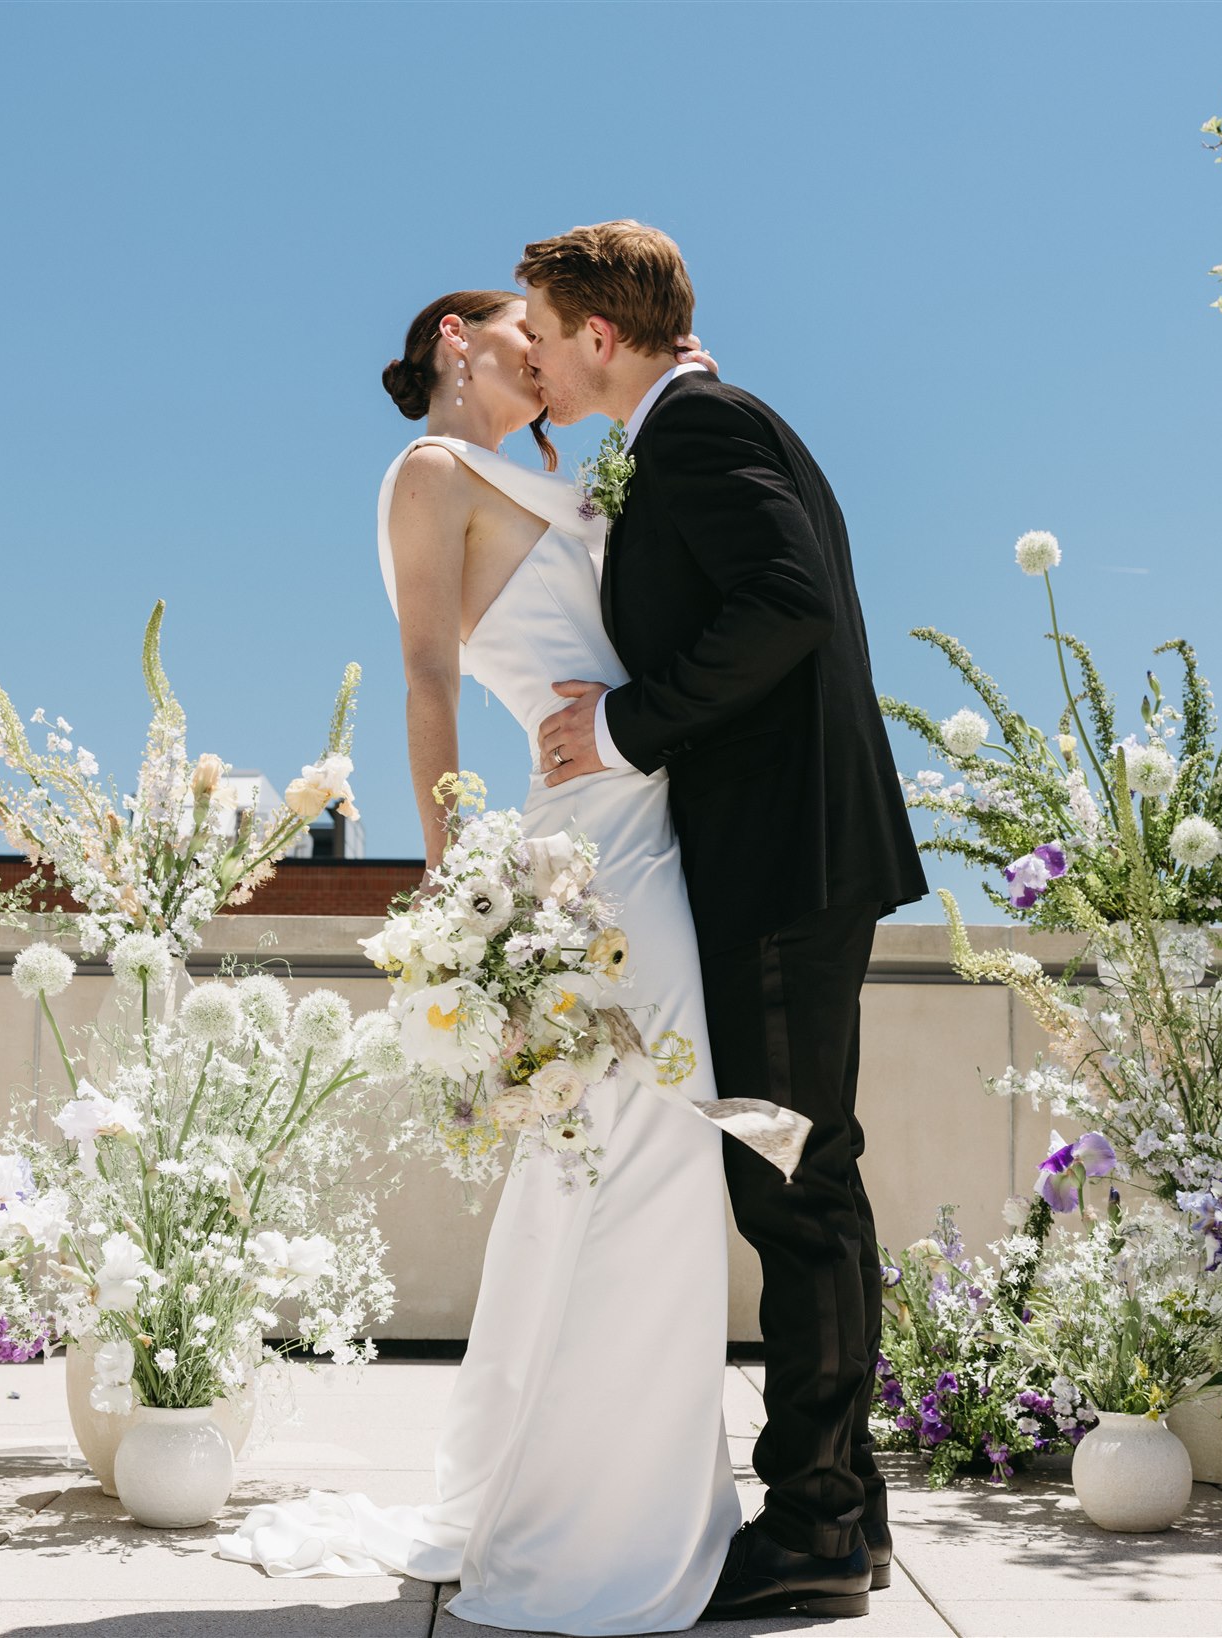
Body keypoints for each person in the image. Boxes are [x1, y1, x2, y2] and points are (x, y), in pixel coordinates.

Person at [216, 290, 741, 1635]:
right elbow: (429, 678)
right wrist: (456, 879)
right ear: (459, 340)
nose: (545, 353)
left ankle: (601, 1483)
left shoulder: (562, 471)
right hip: (580, 849)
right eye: (523, 333)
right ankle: (595, 1521)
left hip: (653, 810)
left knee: (626, 1155)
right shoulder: (431, 474)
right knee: (641, 1141)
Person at [522, 221, 928, 1622]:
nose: (532, 353)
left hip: (780, 867)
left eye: (543, 328)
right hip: (788, 862)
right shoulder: (693, 422)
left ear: (599, 335)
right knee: (810, 1178)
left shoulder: (698, 428)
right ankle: (848, 1509)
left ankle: (813, 1522)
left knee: (792, 1185)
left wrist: (627, 726)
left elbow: (790, 601)